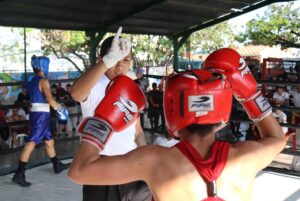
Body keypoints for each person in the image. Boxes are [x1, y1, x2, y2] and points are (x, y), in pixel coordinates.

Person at [69, 48, 286, 201]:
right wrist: (250, 94)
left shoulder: (154, 160)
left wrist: (103, 122)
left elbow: (78, 172)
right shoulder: (245, 157)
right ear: (222, 116)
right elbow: (276, 139)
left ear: (170, 111)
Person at [70, 27, 150, 201]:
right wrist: (106, 62)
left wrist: (146, 159)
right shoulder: (95, 85)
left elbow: (137, 130)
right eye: (115, 60)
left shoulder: (130, 88)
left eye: (126, 60)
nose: (120, 66)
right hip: (99, 167)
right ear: (102, 58)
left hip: (131, 164)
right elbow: (76, 93)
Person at [11, 55, 70, 187]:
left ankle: (56, 165)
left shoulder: (32, 81)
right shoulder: (43, 81)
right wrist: (61, 108)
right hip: (41, 116)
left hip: (37, 114)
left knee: (49, 140)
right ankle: (19, 174)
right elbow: (49, 100)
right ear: (43, 66)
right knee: (31, 142)